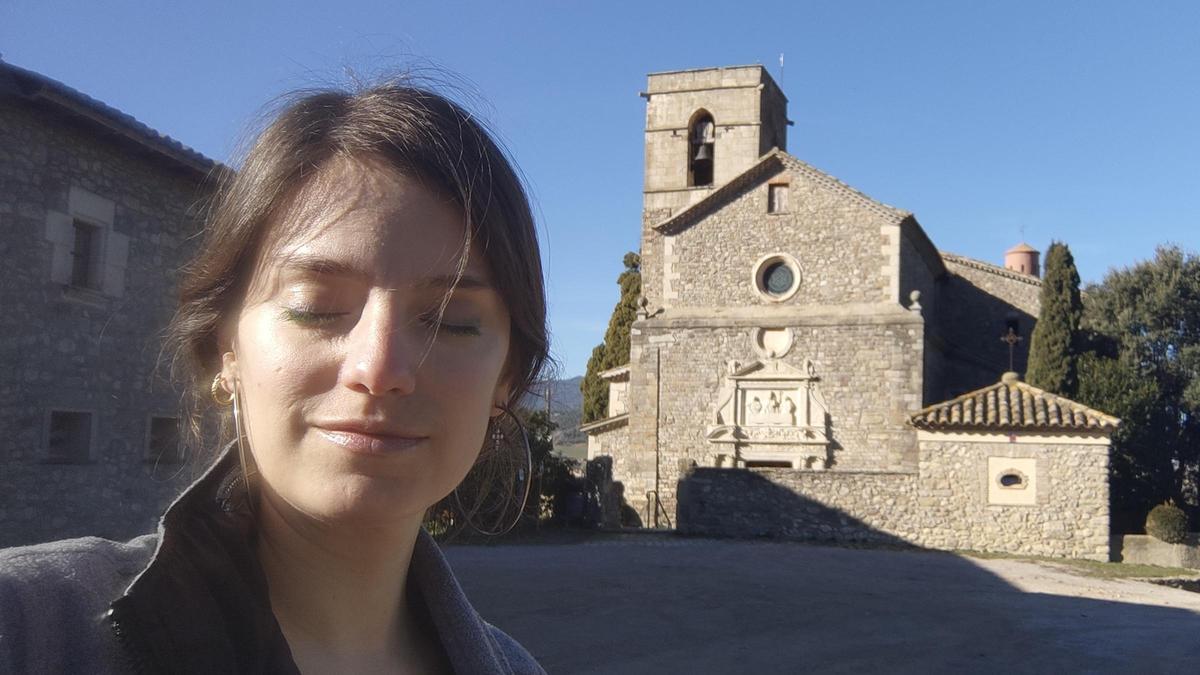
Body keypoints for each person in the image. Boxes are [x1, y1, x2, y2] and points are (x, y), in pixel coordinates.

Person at [0, 80, 549, 674]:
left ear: (507, 378)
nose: (380, 370)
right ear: (227, 351)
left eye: (450, 321)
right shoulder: (30, 629)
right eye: (314, 306)